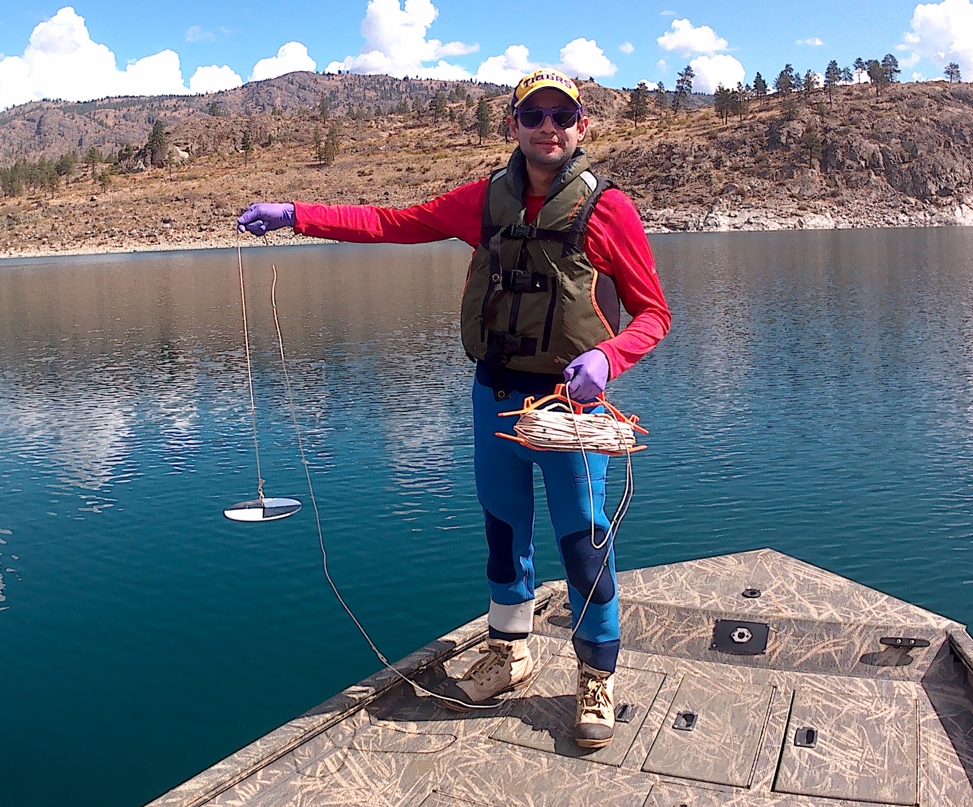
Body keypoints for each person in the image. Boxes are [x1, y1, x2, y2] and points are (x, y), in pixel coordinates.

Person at [238, 68, 670, 748]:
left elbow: (654, 315)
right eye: (535, 116)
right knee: (505, 534)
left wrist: (609, 359)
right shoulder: (483, 202)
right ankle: (509, 653)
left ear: (581, 127)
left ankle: (596, 676)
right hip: (495, 395)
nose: (548, 127)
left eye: (562, 116)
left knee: (583, 544)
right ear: (513, 126)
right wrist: (295, 214)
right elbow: (386, 223)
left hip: (573, 410)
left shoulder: (607, 208)